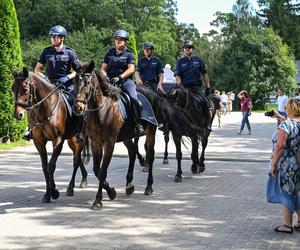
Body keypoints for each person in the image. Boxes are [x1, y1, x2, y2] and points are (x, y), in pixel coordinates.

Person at [24, 25, 83, 142]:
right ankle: (30, 129)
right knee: (34, 102)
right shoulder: (46, 51)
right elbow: (37, 69)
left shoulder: (70, 53)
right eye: (52, 37)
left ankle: (79, 131)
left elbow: (77, 71)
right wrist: (45, 78)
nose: (53, 39)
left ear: (62, 38)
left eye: (56, 37)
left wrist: (67, 77)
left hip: (66, 85)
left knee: (76, 104)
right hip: (49, 85)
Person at [100, 29, 144, 137]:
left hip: (125, 81)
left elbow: (131, 69)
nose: (119, 41)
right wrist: (105, 76)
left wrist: (119, 77)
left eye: (121, 40)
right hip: (109, 82)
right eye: (117, 39)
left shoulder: (129, 55)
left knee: (134, 99)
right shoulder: (109, 54)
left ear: (125, 42)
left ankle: (138, 125)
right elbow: (103, 69)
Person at [267, 97, 300, 234]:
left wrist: (274, 164)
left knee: (286, 192)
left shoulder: (286, 125)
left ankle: (287, 225)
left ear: (290, 108)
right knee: (297, 192)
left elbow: (280, 146)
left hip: (287, 164)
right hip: (298, 162)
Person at [175, 40, 212, 130]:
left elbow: (204, 74)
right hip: (184, 88)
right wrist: (179, 86)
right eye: (186, 47)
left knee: (205, 102)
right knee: (175, 104)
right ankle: (174, 124)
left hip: (196, 87)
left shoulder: (198, 60)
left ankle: (207, 123)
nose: (188, 49)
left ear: (192, 49)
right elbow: (177, 75)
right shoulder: (180, 62)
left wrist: (208, 86)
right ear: (183, 49)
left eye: (190, 47)